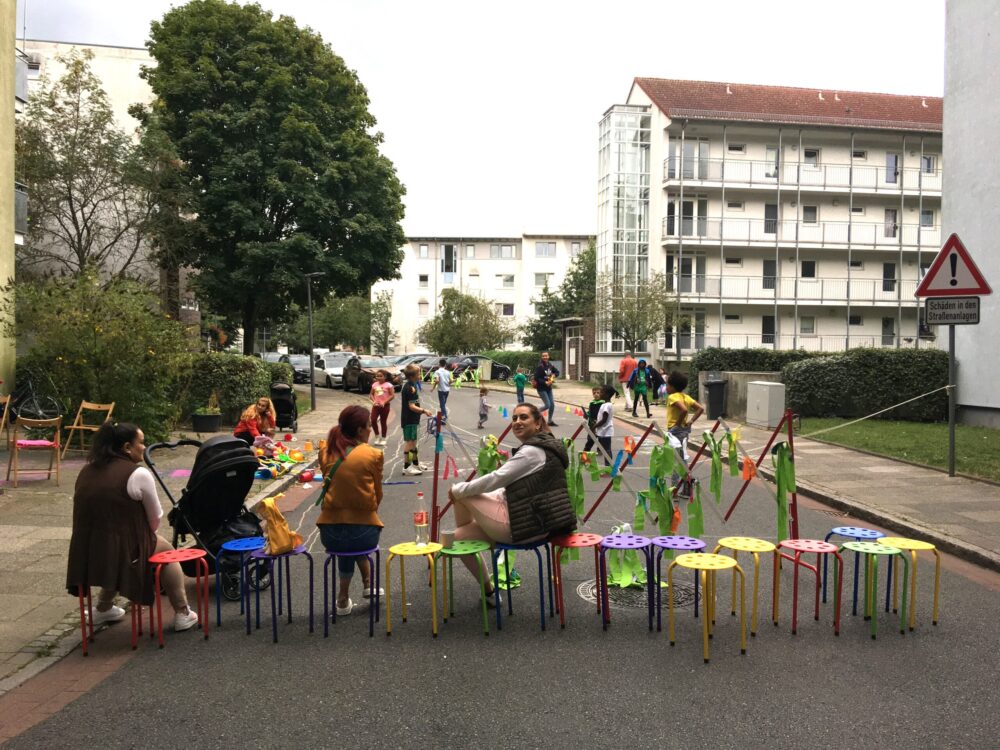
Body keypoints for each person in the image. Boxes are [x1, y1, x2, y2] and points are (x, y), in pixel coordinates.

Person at [66, 422, 199, 632]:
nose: (144, 448)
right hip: (122, 550)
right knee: (168, 553)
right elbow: (155, 518)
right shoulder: (138, 474)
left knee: (116, 546)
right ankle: (183, 613)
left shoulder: (87, 470)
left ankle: (103, 608)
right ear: (127, 447)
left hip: (85, 551)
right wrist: (146, 536)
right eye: (142, 443)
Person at [447, 403, 576, 595]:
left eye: (523, 417)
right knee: (457, 539)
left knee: (459, 493)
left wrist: (458, 490)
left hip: (526, 526)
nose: (517, 422)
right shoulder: (544, 446)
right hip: (537, 522)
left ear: (538, 423)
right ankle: (488, 592)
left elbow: (496, 479)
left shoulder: (532, 452)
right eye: (514, 418)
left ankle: (475, 536)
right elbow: (515, 488)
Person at [316, 405, 385, 615]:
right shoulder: (373, 454)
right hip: (365, 532)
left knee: (345, 537)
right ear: (359, 430)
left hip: (329, 533)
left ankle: (343, 597)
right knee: (355, 535)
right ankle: (367, 583)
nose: (371, 429)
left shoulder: (325, 451)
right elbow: (378, 495)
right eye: (369, 426)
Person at [665, 371, 705, 496]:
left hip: (675, 431)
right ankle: (687, 489)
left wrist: (676, 424)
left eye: (667, 385)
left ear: (672, 386)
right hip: (684, 431)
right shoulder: (685, 396)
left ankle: (674, 489)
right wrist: (691, 421)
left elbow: (683, 410)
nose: (666, 388)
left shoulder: (673, 397)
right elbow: (700, 408)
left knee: (676, 461)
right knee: (682, 460)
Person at [400, 364, 434, 475]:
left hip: (413, 419)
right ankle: (406, 466)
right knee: (410, 443)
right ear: (413, 376)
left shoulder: (412, 385)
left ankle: (415, 463)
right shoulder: (410, 388)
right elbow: (411, 406)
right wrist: (424, 411)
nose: (420, 375)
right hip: (409, 420)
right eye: (418, 373)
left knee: (414, 442)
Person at [532, 351, 560, 426]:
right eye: (543, 356)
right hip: (541, 388)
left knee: (552, 405)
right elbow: (536, 378)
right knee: (547, 405)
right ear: (542, 357)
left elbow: (557, 372)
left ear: (548, 356)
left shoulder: (550, 365)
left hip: (549, 388)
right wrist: (545, 382)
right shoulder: (540, 366)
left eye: (546, 356)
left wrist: (554, 375)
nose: (545, 357)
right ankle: (534, 414)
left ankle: (550, 421)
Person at [369, 369, 395, 447]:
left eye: (381, 376)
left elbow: (392, 395)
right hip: (376, 406)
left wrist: (384, 402)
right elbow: (371, 395)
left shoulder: (389, 385)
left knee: (383, 422)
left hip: (385, 406)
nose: (379, 378)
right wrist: (374, 401)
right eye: (377, 376)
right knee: (373, 420)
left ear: (385, 377)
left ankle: (383, 438)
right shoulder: (374, 385)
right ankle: (377, 437)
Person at [594, 384, 616, 465]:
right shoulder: (605, 404)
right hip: (603, 430)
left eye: (602, 392)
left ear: (607, 395)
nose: (600, 393)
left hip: (606, 430)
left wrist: (595, 425)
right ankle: (608, 466)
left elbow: (604, 419)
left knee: (607, 450)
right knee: (605, 449)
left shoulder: (607, 405)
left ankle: (608, 467)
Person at [582, 386, 604, 453]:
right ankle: (586, 450)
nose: (596, 394)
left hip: (599, 423)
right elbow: (590, 412)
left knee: (601, 438)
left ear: (602, 394)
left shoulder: (603, 403)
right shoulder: (592, 403)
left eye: (598, 393)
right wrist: (586, 414)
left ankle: (600, 449)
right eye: (594, 393)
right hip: (592, 424)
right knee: (590, 438)